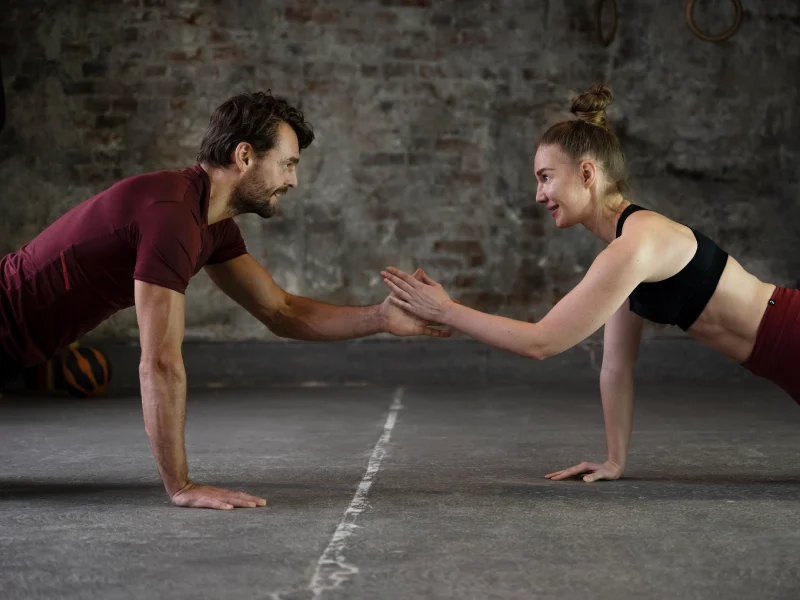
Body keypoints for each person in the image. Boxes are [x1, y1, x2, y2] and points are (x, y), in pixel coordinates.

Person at [0, 90, 450, 510]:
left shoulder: (211, 225)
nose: (293, 181)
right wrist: (181, 486)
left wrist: (381, 317)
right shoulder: (171, 215)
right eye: (287, 164)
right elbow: (160, 363)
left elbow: (280, 310)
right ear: (245, 155)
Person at [381, 84, 800, 485]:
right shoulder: (625, 249)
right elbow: (616, 365)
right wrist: (614, 460)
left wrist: (445, 310)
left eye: (545, 177)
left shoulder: (637, 244)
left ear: (586, 172)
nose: (538, 194)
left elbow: (541, 342)